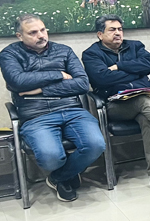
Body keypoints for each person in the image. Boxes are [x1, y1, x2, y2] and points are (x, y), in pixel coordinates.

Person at [0, 14, 105, 202]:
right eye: (33, 32)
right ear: (19, 36)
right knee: (50, 157)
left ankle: (58, 177)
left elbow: (82, 84)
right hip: (36, 115)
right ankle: (68, 173)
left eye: (42, 30)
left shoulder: (64, 51)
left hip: (72, 110)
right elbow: (18, 81)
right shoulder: (9, 54)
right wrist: (59, 74)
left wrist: (40, 89)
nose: (41, 35)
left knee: (95, 145)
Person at [82, 14, 150, 194]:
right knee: (145, 102)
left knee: (147, 117)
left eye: (120, 29)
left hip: (143, 102)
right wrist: (135, 72)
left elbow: (147, 65)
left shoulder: (135, 46)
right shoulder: (91, 54)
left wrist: (119, 67)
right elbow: (102, 78)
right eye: (112, 30)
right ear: (100, 34)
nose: (118, 33)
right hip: (115, 105)